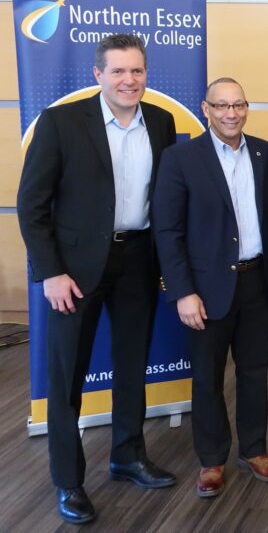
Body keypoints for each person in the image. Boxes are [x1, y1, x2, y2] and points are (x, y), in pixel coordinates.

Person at [17, 33, 177, 524]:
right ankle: (69, 481)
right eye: (118, 72)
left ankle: (127, 455)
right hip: (74, 271)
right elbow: (32, 205)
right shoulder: (62, 123)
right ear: (97, 75)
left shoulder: (162, 122)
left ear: (147, 74)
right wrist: (51, 272)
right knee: (67, 379)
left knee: (133, 365)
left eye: (137, 71)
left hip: (138, 261)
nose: (129, 81)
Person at [153, 77, 268, 498]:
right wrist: (182, 291)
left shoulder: (267, 154)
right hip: (205, 291)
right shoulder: (181, 158)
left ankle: (255, 449)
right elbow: (168, 230)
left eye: (239, 105)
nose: (231, 113)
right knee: (207, 378)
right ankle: (211, 460)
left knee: (254, 371)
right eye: (222, 105)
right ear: (206, 109)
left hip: (257, 282)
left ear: (247, 108)